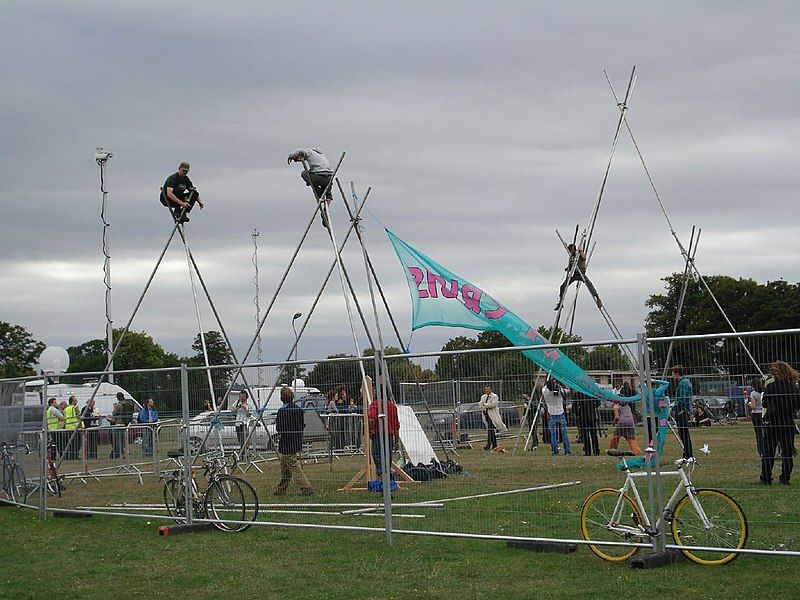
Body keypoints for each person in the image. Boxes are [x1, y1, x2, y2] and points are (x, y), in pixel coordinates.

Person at [760, 361, 800, 485]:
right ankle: (785, 478)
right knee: (787, 452)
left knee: (768, 452)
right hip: (788, 422)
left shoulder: (771, 387)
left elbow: (765, 403)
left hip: (773, 422)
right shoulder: (793, 387)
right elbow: (797, 405)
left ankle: (766, 478)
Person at [274, 387, 313, 496]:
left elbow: (279, 428)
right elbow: (302, 425)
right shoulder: (298, 410)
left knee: (294, 466)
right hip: (296, 441)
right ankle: (281, 489)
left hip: (286, 442)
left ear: (282, 398)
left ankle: (306, 488)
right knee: (285, 466)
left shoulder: (282, 411)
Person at [287, 148, 334, 228]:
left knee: (305, 174)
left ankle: (319, 193)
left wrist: (291, 156)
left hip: (319, 176)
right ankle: (326, 209)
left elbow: (301, 151)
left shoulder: (310, 152)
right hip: (329, 177)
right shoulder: (321, 155)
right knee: (328, 194)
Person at [366, 381, 401, 478]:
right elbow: (396, 426)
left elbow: (371, 418)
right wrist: (397, 441)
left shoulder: (375, 404)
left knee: (377, 455)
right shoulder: (392, 406)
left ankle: (383, 473)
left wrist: (370, 430)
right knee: (387, 457)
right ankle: (388, 474)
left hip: (378, 434)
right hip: (389, 436)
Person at [555, 243, 602, 311]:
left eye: (570, 251)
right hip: (575, 274)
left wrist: (580, 251)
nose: (570, 253)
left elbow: (584, 258)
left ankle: (598, 298)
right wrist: (567, 268)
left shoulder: (578, 254)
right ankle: (560, 302)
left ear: (573, 250)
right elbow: (571, 266)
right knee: (563, 286)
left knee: (590, 285)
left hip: (581, 273)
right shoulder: (571, 257)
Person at [543, 378, 570, 456]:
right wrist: (559, 384)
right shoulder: (559, 391)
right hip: (560, 413)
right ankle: (567, 451)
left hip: (551, 414)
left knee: (553, 434)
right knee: (564, 433)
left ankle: (554, 451)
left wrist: (551, 382)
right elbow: (567, 390)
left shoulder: (545, 392)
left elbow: (546, 386)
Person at [671, 365, 694, 459]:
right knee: (684, 434)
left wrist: (673, 408)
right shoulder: (686, 381)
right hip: (685, 411)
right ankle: (687, 454)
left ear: (677, 373)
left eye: (673, 373)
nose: (672, 376)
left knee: (684, 434)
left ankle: (688, 455)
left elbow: (682, 399)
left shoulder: (682, 383)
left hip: (682, 412)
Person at [479, 384, 507, 451]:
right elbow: (480, 404)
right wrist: (484, 406)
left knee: (490, 429)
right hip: (486, 415)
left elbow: (493, 405)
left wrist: (485, 405)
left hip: (493, 415)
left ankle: (488, 445)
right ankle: (494, 445)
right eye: (486, 389)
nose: (487, 391)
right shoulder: (483, 396)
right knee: (491, 431)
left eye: (488, 389)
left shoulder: (494, 396)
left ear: (491, 389)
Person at [574, 391, 601, 456]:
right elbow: (598, 403)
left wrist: (577, 413)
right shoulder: (592, 392)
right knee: (594, 434)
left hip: (583, 415)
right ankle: (596, 451)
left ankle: (587, 451)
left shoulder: (578, 392)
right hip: (592, 415)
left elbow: (575, 405)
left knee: (585, 434)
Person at [109, 392, 130, 459]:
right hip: (125, 424)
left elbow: (114, 414)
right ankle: (125, 452)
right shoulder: (127, 404)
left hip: (118, 424)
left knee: (117, 440)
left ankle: (120, 454)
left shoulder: (119, 405)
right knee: (123, 440)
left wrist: (114, 407)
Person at [747, 377, 765, 457]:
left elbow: (753, 406)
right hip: (763, 413)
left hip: (756, 413)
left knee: (758, 433)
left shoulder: (753, 393)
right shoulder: (764, 392)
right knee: (765, 432)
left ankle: (761, 450)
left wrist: (748, 404)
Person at [63, 395, 80, 460]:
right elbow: (79, 418)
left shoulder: (65, 409)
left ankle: (70, 456)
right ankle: (75, 456)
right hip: (75, 428)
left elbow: (65, 419)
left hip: (68, 428)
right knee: (76, 443)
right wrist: (83, 426)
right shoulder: (75, 408)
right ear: (72, 401)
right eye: (75, 400)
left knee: (70, 443)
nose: (77, 401)